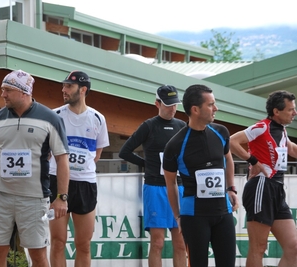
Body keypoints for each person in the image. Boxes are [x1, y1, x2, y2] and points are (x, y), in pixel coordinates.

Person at [0, 69, 70, 267]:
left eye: (7, 90)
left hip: (34, 199)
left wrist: (62, 197)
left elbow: (62, 159)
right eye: (2, 89)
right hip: (1, 196)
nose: (3, 95)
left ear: (24, 91)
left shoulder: (50, 118)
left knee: (38, 255)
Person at [163, 84, 238, 267]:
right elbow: (171, 183)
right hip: (194, 216)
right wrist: (178, 217)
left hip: (223, 212)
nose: (216, 108)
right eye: (211, 104)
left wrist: (231, 188)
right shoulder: (175, 144)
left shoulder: (221, 132)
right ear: (195, 109)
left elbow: (228, 159)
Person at [119, 85, 187, 267]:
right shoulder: (148, 126)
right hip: (155, 187)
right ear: (157, 103)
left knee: (180, 243)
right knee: (157, 242)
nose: (173, 109)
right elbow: (124, 151)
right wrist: (146, 164)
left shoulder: (182, 126)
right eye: (168, 104)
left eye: (175, 105)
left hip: (179, 186)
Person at [49, 70, 110, 267]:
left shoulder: (98, 118)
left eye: (69, 86)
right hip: (56, 183)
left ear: (83, 90)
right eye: (63, 85)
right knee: (58, 242)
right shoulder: (55, 116)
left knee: (83, 244)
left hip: (85, 185)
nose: (63, 89)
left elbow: (97, 154)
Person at [230, 90, 297, 267]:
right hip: (261, 185)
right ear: (277, 111)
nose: (294, 113)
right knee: (259, 247)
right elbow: (232, 141)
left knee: (294, 247)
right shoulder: (262, 126)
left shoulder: (282, 130)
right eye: (290, 109)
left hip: (277, 189)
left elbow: (292, 150)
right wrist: (253, 161)